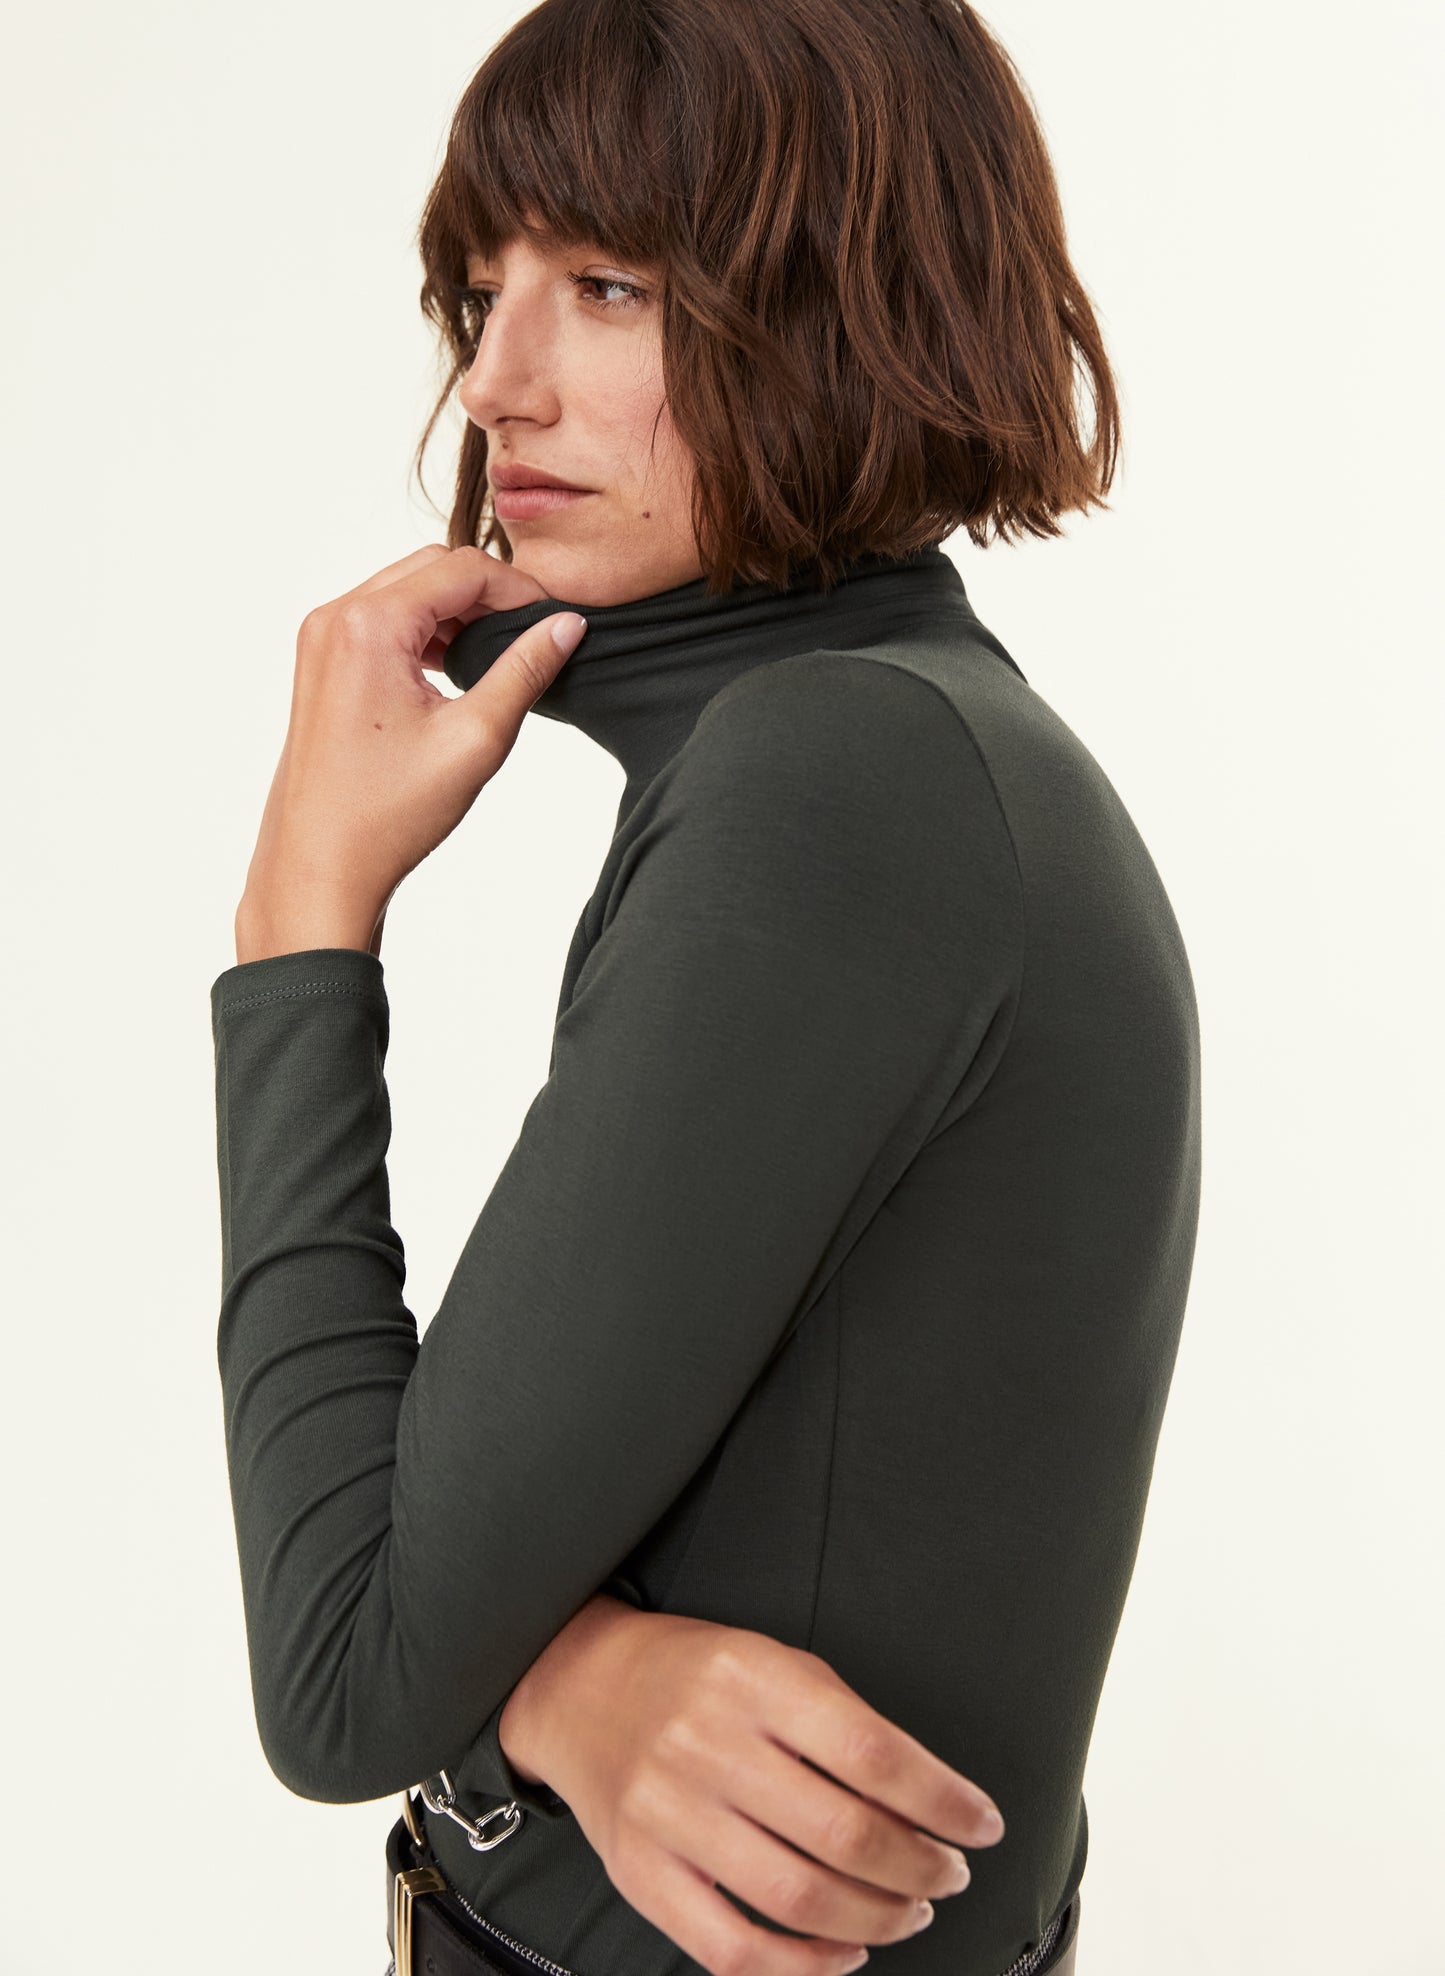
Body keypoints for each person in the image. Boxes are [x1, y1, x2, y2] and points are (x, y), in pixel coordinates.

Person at [206, 3, 1200, 1975]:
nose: (496, 381)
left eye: (607, 285)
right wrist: (562, 1680)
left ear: (843, 300)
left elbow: (343, 1669)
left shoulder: (838, 777)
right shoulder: (919, 747)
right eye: (478, 290)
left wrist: (301, 920)